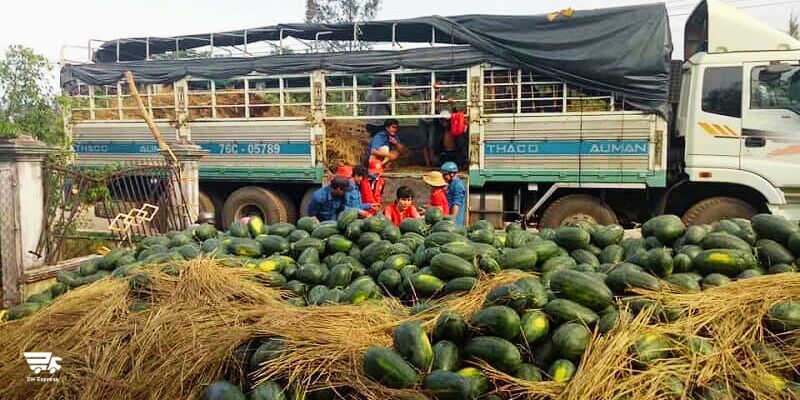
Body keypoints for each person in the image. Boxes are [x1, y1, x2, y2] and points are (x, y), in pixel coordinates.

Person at [441, 162, 466, 227]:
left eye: (444, 174)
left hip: (455, 223)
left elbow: (456, 204)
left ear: (451, 174)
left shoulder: (458, 186)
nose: (443, 177)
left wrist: (452, 220)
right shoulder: (451, 184)